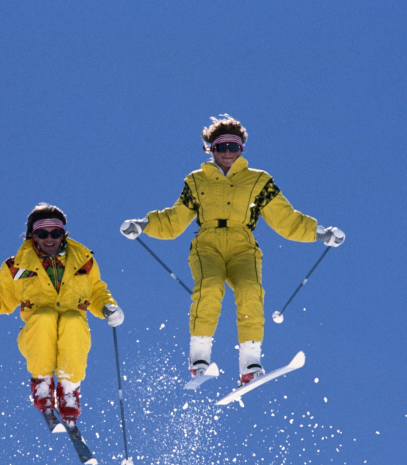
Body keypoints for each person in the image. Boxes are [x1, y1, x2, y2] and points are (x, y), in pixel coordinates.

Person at [120, 114, 345, 384]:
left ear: (242, 149)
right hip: (208, 243)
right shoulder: (197, 181)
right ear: (210, 149)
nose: (228, 153)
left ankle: (250, 363)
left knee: (251, 292)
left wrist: (321, 233)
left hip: (242, 244)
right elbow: (173, 220)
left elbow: (286, 219)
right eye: (221, 147)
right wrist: (142, 225)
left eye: (233, 147)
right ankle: (199, 357)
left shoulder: (258, 181)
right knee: (210, 286)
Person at [0, 203, 123, 429]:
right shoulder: (16, 266)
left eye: (55, 233)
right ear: (33, 235)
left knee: (72, 318)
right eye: (42, 233)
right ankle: (42, 383)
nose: (49, 239)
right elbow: (3, 297)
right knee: (45, 315)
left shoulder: (83, 261)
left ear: (63, 234)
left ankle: (69, 389)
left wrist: (108, 307)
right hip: (36, 336)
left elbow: (97, 291)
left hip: (73, 335)